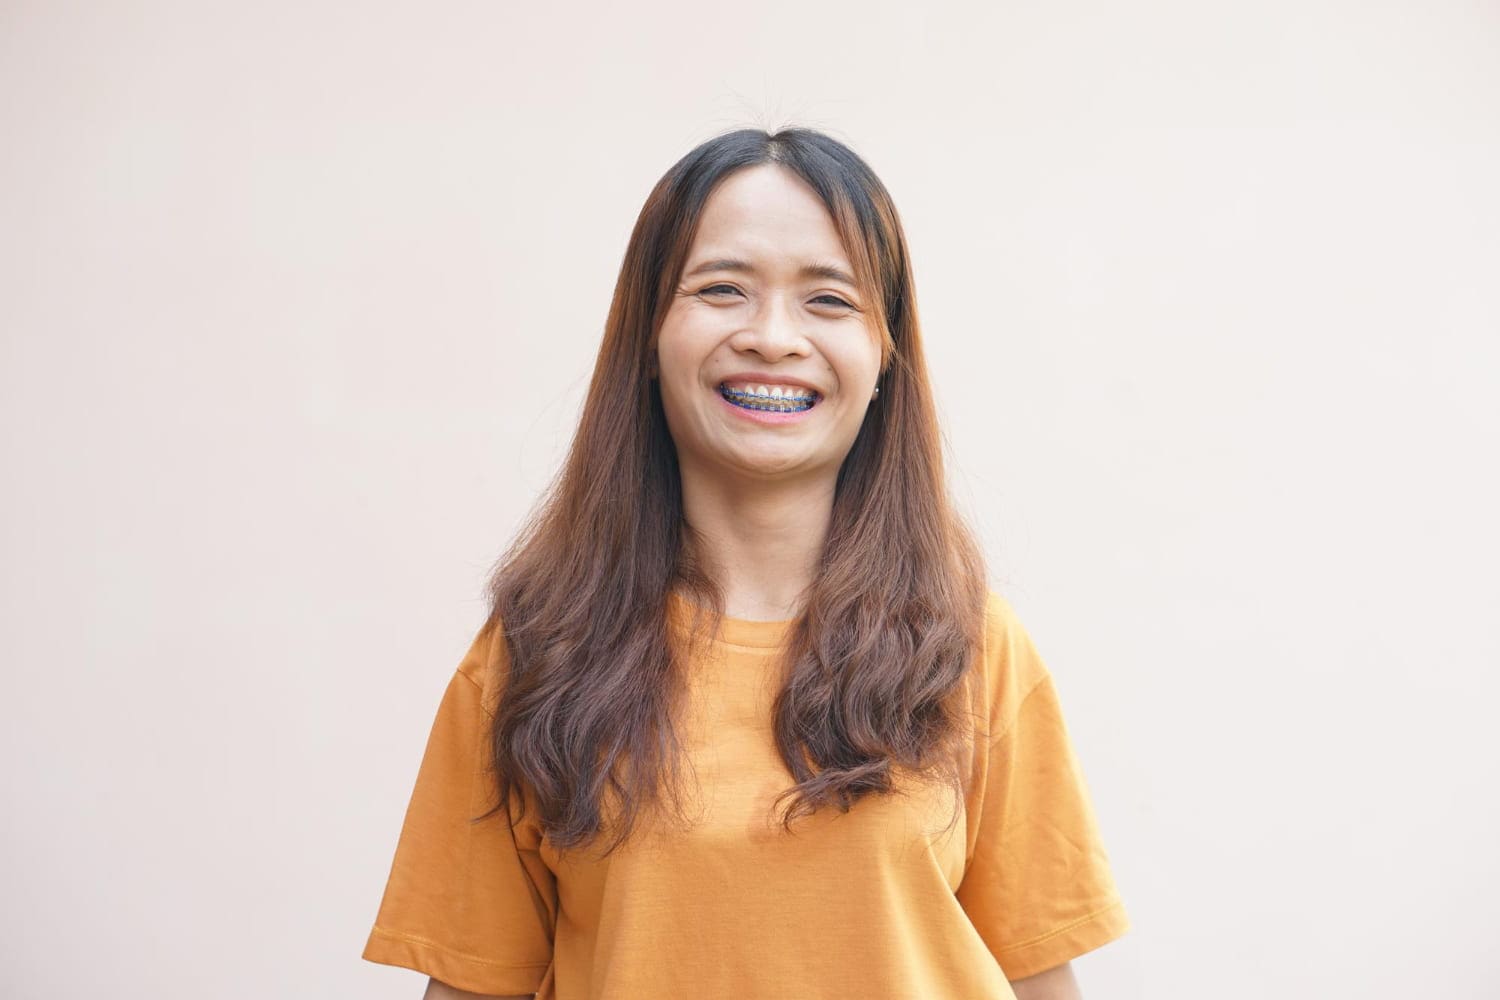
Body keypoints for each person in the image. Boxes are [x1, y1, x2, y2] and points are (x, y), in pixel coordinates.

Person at [361, 127, 1129, 1000]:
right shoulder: (535, 654)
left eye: (829, 300)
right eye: (721, 289)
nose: (772, 337)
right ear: (649, 336)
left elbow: (1040, 980)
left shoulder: (975, 648)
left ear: (885, 355)